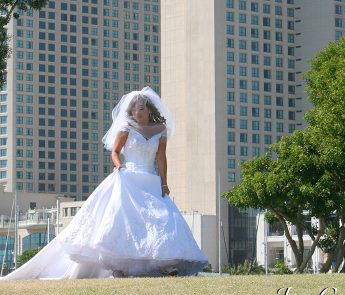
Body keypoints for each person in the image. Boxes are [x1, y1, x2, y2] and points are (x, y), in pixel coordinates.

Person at [1, 86, 209, 279]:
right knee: (124, 221)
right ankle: (120, 267)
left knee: (163, 219)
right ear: (131, 111)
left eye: (142, 108)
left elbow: (161, 158)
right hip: (128, 177)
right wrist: (119, 165)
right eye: (135, 109)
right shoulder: (127, 128)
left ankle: (167, 264)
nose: (139, 112)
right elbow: (115, 152)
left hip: (150, 179)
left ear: (148, 109)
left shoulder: (159, 130)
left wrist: (164, 183)